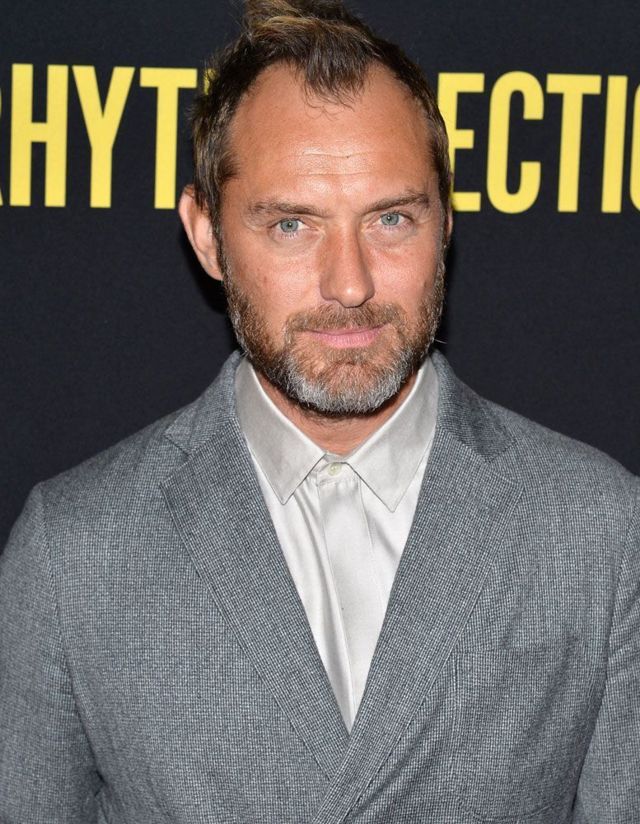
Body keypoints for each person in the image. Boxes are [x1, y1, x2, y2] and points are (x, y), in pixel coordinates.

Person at [1, 0, 638, 821]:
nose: (350, 284)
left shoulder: (600, 533)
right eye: (293, 224)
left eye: (392, 219)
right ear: (207, 235)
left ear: (445, 223)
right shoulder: (73, 553)